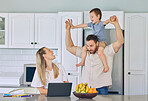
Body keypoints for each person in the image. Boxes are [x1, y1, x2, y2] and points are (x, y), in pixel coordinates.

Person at [65, 15, 124, 95]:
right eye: (88, 46)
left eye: (91, 46)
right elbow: (69, 47)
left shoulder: (106, 51)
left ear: (97, 43)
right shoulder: (85, 52)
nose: (89, 48)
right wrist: (68, 30)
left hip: (101, 88)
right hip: (86, 88)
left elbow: (120, 41)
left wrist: (116, 24)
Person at [70, 8, 111, 72]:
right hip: (94, 42)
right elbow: (83, 25)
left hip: (101, 42)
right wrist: (74, 27)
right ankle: (82, 62)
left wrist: (111, 19)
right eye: (90, 17)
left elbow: (106, 21)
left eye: (92, 17)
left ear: (98, 16)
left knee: (100, 52)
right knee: (84, 48)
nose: (91, 18)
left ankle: (106, 66)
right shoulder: (91, 24)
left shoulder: (100, 24)